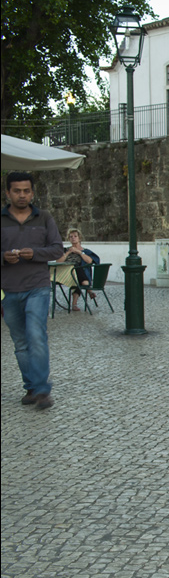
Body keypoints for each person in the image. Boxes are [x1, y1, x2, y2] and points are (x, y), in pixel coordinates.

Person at [1, 172, 64, 410]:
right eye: (17, 191)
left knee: (36, 336)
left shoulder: (44, 217)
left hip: (37, 287)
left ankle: (41, 390)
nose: (22, 195)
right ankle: (30, 387)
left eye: (26, 191)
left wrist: (34, 253)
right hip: (9, 289)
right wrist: (4, 258)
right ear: (8, 193)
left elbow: (57, 249)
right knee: (20, 342)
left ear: (32, 193)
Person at [53, 229, 99, 311]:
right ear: (69, 239)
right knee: (79, 275)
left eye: (75, 236)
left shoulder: (85, 251)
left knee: (77, 272)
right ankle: (89, 290)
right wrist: (68, 253)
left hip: (77, 273)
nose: (73, 238)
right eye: (71, 237)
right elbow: (58, 261)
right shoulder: (65, 250)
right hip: (65, 273)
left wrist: (79, 252)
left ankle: (74, 304)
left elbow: (89, 261)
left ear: (79, 238)